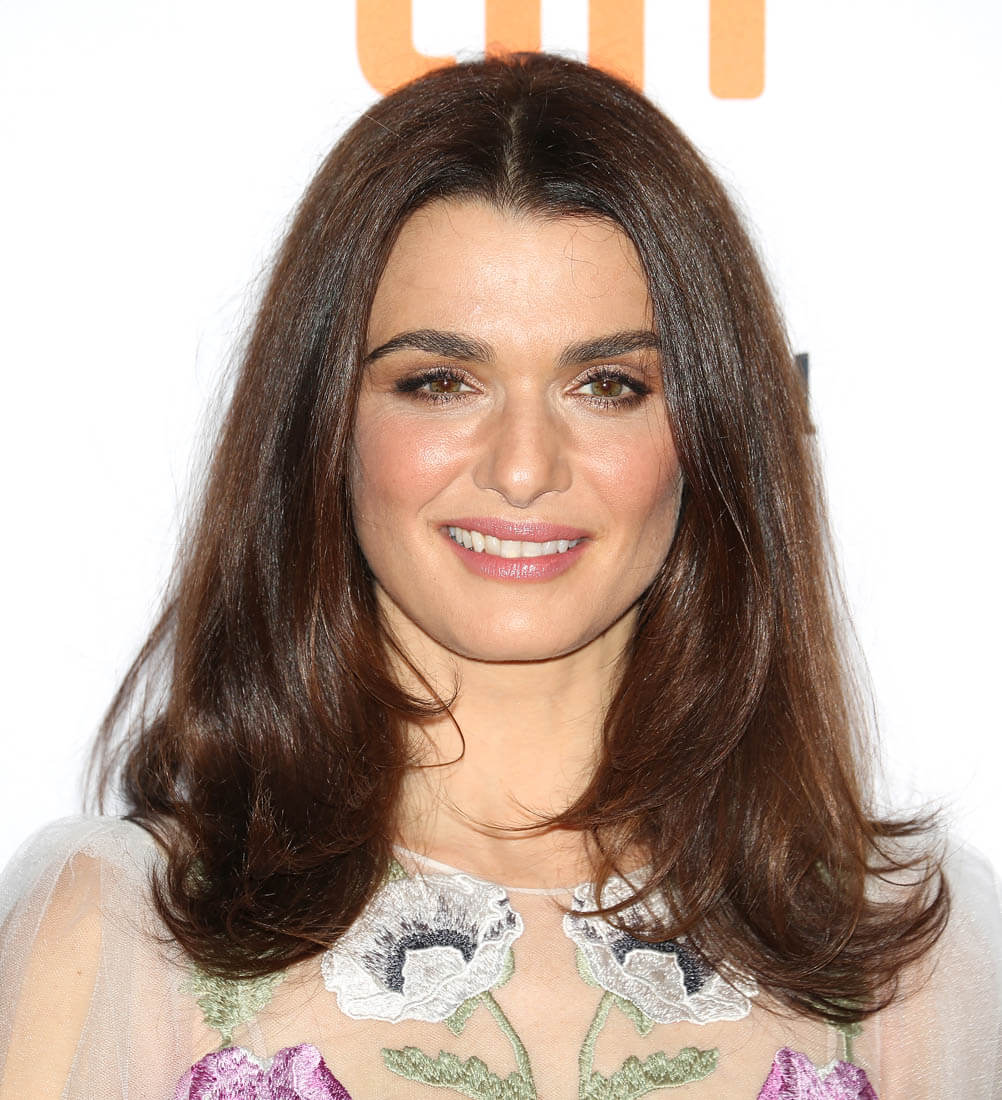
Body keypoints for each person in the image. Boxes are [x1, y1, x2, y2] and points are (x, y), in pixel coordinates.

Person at [0, 52, 999, 1100]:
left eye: (607, 384)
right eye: (441, 381)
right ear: (323, 424)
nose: (524, 468)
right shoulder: (120, 939)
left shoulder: (903, 971)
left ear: (711, 431)